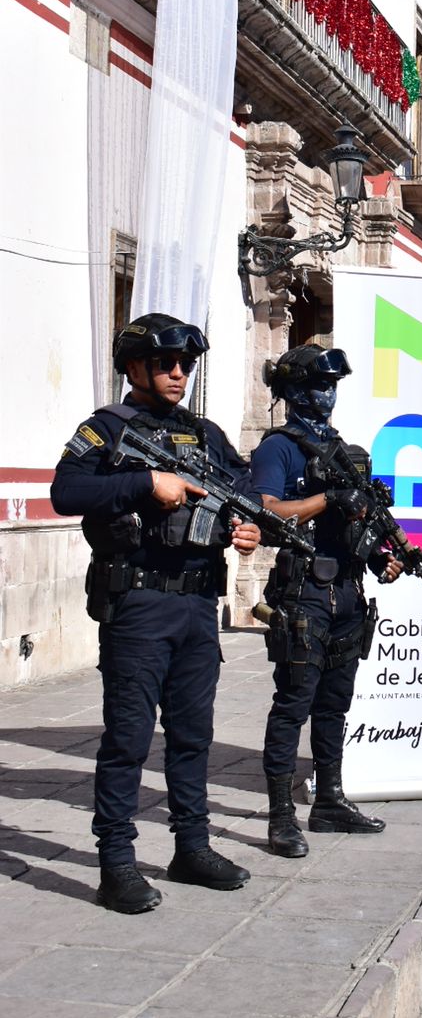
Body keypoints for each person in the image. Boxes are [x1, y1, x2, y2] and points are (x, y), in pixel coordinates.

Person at [50, 314, 260, 915]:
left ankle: (191, 846)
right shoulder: (105, 429)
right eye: (166, 364)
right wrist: (147, 482)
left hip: (197, 604)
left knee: (193, 736)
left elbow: (240, 492)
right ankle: (116, 862)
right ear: (134, 368)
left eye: (186, 365)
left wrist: (242, 529)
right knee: (129, 739)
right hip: (138, 604)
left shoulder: (207, 434)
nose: (177, 374)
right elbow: (66, 493)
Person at [251, 344, 403, 857]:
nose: (327, 395)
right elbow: (268, 510)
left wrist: (383, 556)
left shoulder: (345, 449)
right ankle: (279, 817)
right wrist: (325, 499)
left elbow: (357, 522)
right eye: (318, 386)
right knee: (293, 703)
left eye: (333, 386)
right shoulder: (280, 448)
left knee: (336, 705)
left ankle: (330, 800)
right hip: (303, 593)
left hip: (347, 593)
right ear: (292, 392)